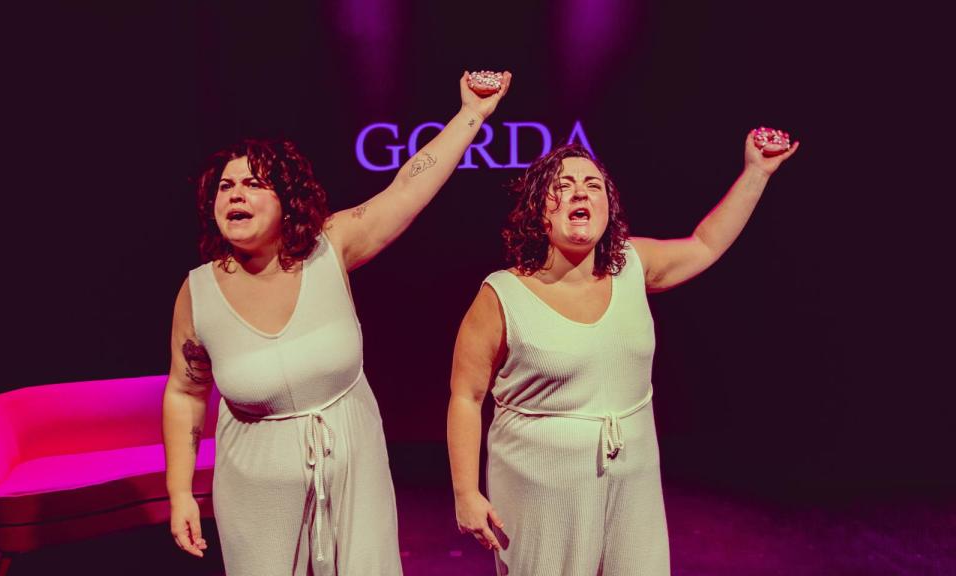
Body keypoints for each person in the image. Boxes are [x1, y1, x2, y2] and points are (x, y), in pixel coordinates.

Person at [162, 71, 511, 576]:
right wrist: (180, 493)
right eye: (225, 186)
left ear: (286, 199)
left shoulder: (330, 247)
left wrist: (471, 114)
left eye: (254, 184)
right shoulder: (197, 293)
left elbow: (408, 185)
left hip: (353, 469)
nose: (235, 194)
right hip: (256, 491)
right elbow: (184, 392)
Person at [447, 132, 799, 575]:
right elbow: (466, 395)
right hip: (538, 480)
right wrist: (465, 492)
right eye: (563, 184)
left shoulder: (631, 265)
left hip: (632, 473)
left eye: (592, 185)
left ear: (608, 208)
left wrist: (756, 173)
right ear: (538, 213)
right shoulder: (504, 294)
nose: (580, 191)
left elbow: (705, 244)